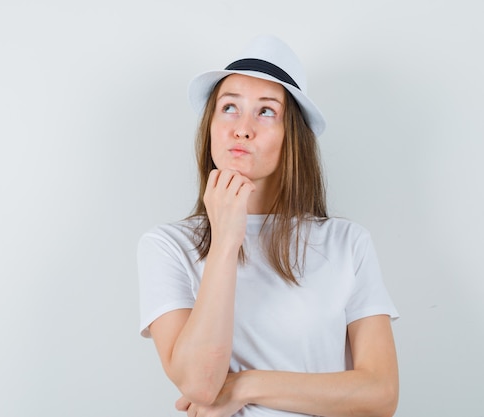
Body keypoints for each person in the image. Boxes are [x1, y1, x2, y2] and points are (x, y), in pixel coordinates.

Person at [137, 34, 399, 417]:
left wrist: (245, 385)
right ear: (210, 125)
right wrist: (226, 240)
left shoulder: (347, 243)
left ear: (292, 136)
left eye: (265, 112)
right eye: (229, 107)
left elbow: (380, 394)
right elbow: (200, 384)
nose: (242, 128)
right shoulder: (166, 246)